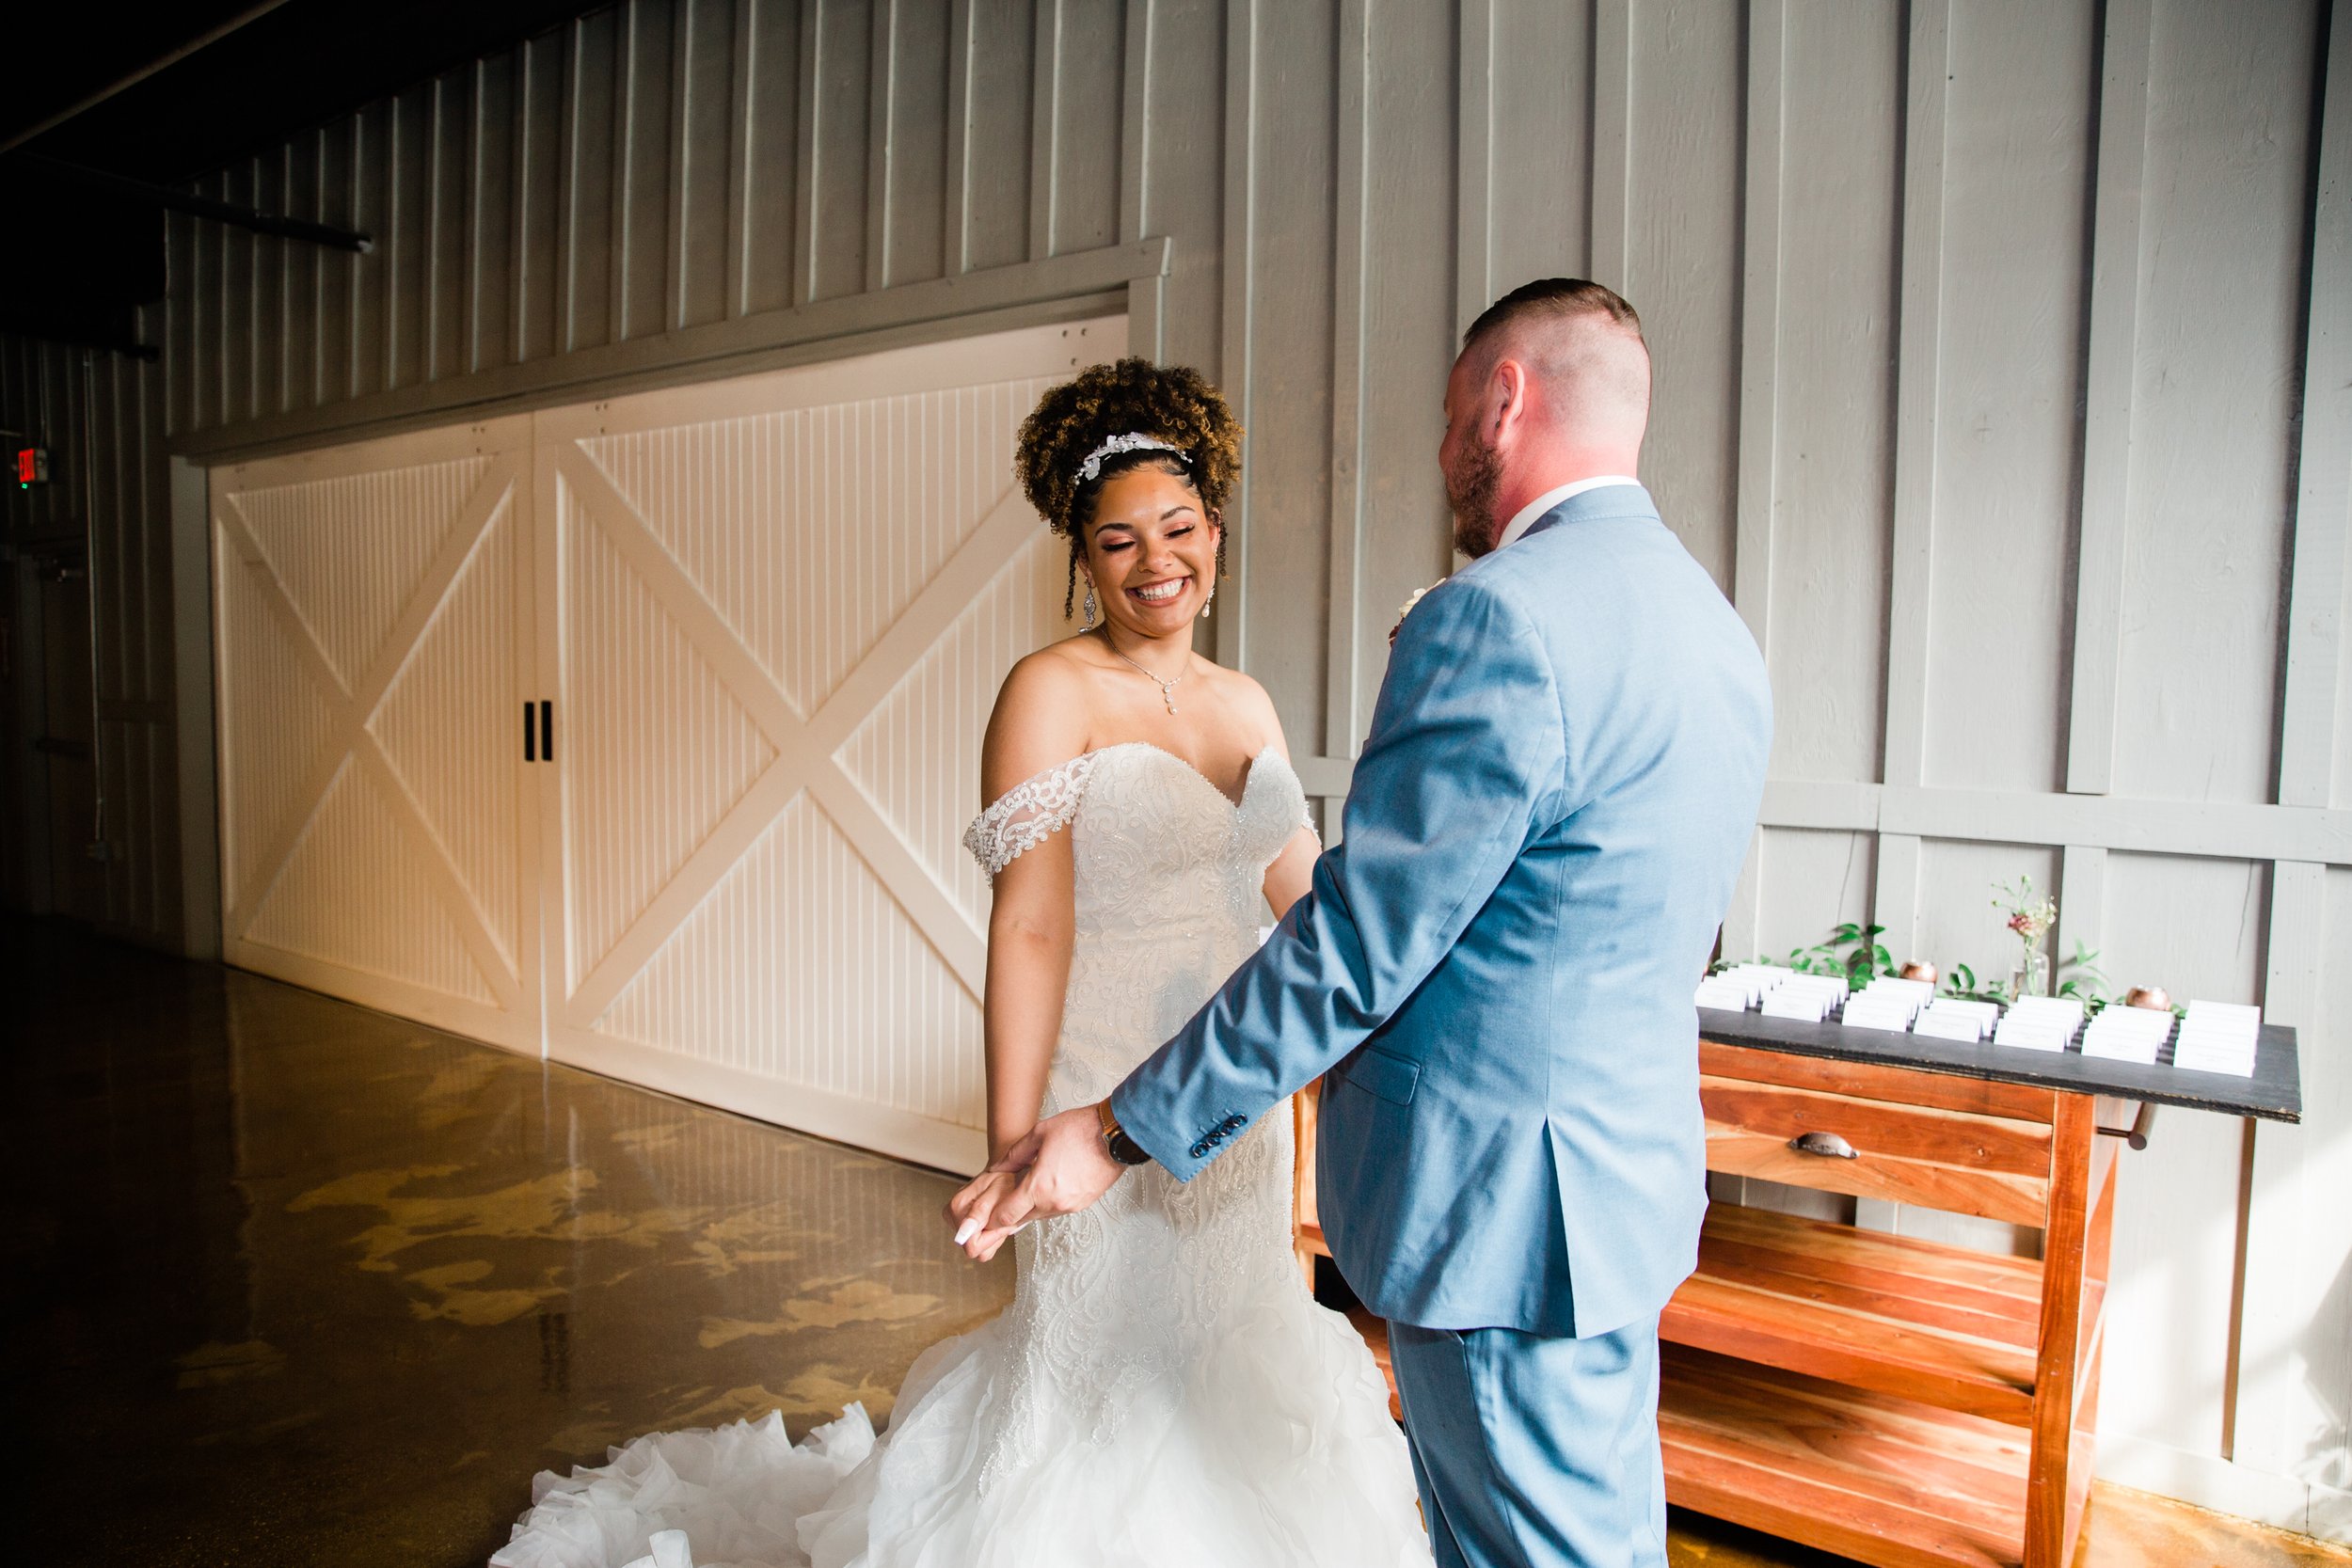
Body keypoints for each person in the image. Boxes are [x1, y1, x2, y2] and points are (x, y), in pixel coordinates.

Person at [491, 358, 1431, 1568]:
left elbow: (1310, 905)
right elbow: (1030, 924)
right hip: (1096, 1078)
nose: (1157, 561)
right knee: (1101, 1353)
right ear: (1082, 556)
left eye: (1180, 527)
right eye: (1118, 538)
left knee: (1227, 1340)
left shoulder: (1246, 703)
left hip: (1230, 1098)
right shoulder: (1047, 689)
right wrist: (1010, 1137)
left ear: (1216, 527)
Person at [952, 279, 1774, 1568]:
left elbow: (1351, 935)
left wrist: (1117, 1129)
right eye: (1119, 538)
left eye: (1454, 416)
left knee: (1529, 1541)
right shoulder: (1710, 624)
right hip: (1616, 1185)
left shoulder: (1498, 616)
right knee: (1590, 1527)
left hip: (1487, 1199)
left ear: (1503, 401)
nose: (1446, 452)